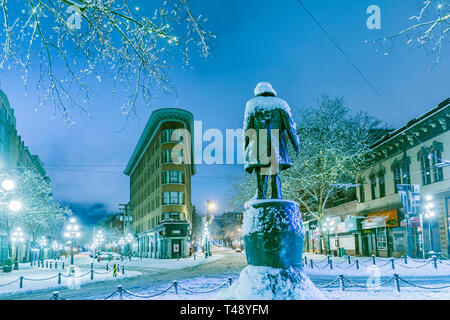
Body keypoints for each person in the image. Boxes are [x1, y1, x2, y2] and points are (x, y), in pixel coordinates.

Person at [243, 82, 300, 199]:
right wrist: (296, 145)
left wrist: (245, 147)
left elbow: (247, 129)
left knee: (260, 177)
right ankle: (277, 198)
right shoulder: (281, 104)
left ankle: (260, 198)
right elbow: (290, 128)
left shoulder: (252, 105)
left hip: (259, 148)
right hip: (276, 146)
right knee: (275, 175)